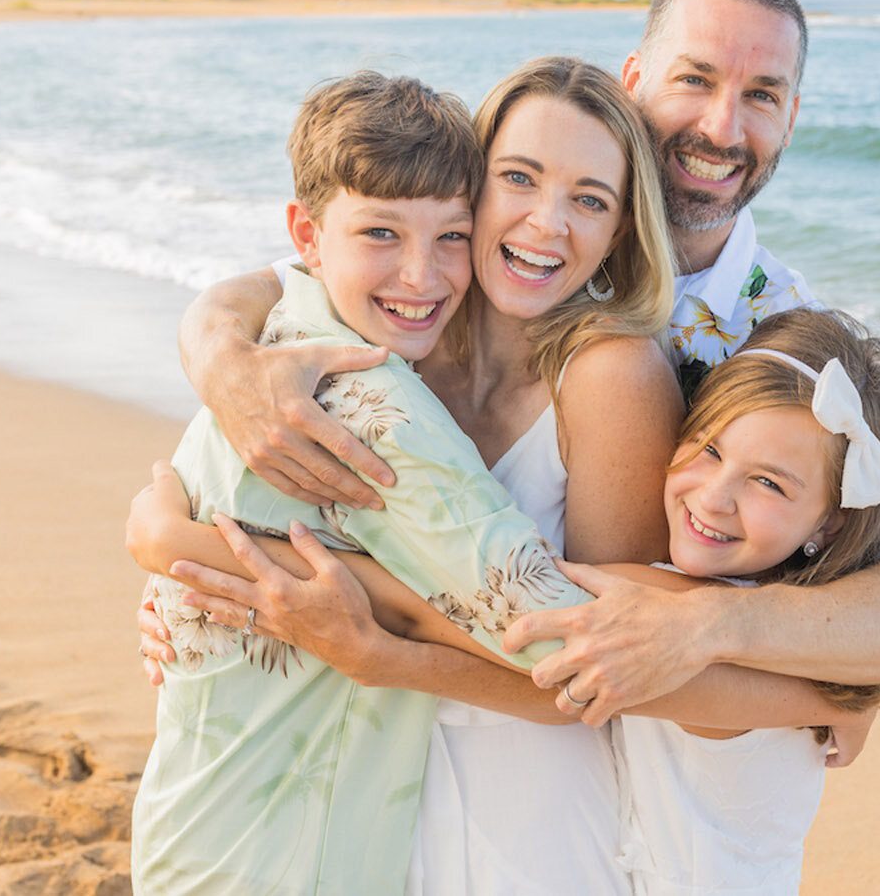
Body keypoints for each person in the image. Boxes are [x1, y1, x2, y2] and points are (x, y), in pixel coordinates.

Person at [160, 0, 880, 744]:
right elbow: (301, 272)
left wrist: (770, 661)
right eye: (694, 78)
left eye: (761, 95)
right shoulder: (440, 287)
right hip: (408, 751)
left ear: (792, 116)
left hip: (625, 767)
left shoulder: (785, 336)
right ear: (633, 82)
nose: (723, 125)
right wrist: (216, 354)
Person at [133, 57, 689, 894]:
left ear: (622, 228)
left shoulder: (604, 373)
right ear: (478, 183)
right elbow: (280, 288)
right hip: (372, 790)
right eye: (519, 178)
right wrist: (185, 546)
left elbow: (598, 655)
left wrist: (188, 546)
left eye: (590, 198)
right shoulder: (406, 335)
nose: (545, 222)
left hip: (521, 800)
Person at [613, 307, 880, 894]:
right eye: (709, 449)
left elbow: (538, 587)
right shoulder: (816, 646)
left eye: (768, 482)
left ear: (830, 524)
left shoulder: (688, 624)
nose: (713, 498)